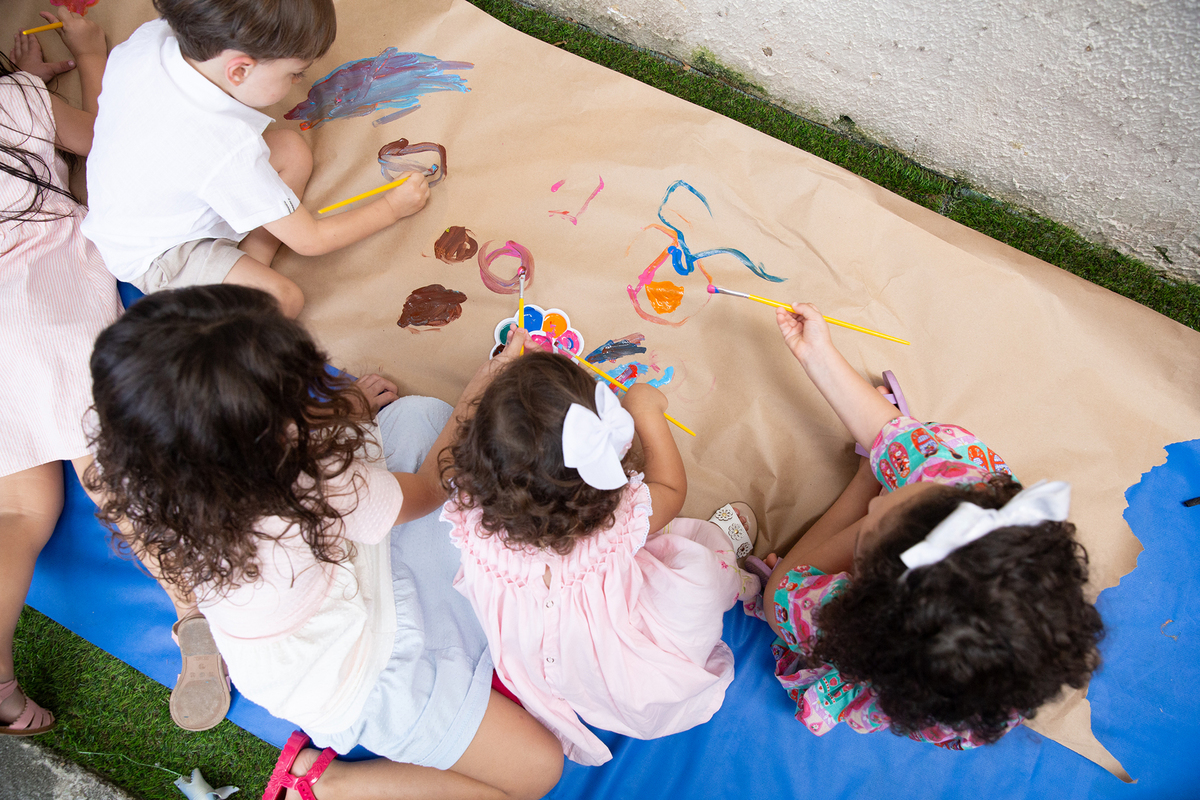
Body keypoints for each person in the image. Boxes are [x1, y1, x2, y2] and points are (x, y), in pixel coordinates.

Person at [86, 285, 562, 799]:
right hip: (363, 680)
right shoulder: (309, 488)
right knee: (535, 771)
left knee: (418, 419)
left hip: (309, 621)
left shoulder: (144, 470)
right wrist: (485, 386)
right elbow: (426, 489)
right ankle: (328, 784)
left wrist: (348, 412)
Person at [749, 302, 1104, 748]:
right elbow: (888, 434)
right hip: (921, 642)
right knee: (936, 451)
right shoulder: (969, 495)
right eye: (907, 490)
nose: (877, 507)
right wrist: (815, 353)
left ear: (862, 590)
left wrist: (866, 487)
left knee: (780, 597)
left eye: (872, 525)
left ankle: (861, 482)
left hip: (881, 654)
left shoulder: (861, 626)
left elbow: (784, 595)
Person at [441, 351, 761, 766]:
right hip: (620, 661)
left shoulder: (466, 514)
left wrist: (488, 390)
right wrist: (645, 409)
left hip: (541, 662)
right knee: (698, 573)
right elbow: (670, 486)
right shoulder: (615, 522)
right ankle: (727, 559)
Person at [80, 0, 429, 319]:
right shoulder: (225, 149)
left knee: (291, 150)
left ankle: (248, 259)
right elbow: (311, 241)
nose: (297, 83)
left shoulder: (149, 38)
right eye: (294, 73)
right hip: (159, 252)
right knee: (283, 299)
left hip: (148, 192)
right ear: (238, 71)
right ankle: (236, 279)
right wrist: (392, 208)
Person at [0, 8, 124, 737]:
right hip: (45, 300)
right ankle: (198, 616)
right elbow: (106, 146)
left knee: (19, 512)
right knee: (110, 470)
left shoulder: (19, 97)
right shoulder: (19, 102)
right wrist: (79, 60)